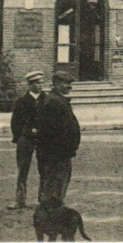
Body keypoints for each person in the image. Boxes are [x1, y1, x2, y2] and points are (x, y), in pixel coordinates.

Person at [37, 71, 80, 205]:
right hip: (57, 154)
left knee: (58, 183)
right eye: (66, 83)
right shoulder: (55, 102)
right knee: (56, 184)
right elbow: (54, 132)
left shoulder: (58, 99)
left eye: (70, 83)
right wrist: (64, 150)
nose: (70, 87)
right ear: (56, 84)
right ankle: (51, 213)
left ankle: (52, 209)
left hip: (60, 153)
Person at [8, 71, 46, 210]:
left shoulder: (47, 100)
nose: (40, 85)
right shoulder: (21, 102)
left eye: (42, 82)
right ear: (29, 85)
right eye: (37, 83)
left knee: (45, 170)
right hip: (26, 140)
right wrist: (20, 137)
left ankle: (43, 200)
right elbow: (15, 122)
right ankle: (20, 200)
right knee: (22, 170)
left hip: (42, 140)